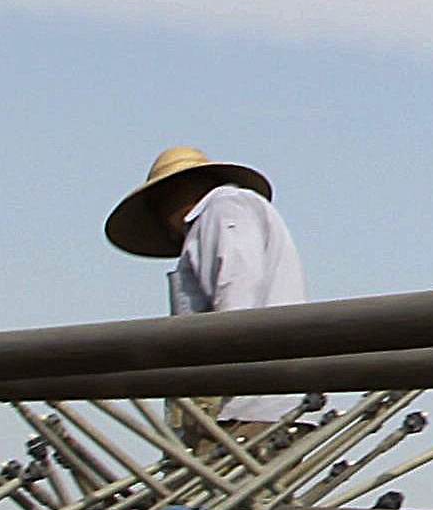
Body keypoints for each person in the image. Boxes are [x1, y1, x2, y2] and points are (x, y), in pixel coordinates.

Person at [103, 145, 307, 432]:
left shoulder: (224, 208)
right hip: (256, 404)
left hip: (248, 408)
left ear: (169, 198)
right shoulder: (226, 212)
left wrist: (216, 377)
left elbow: (237, 291)